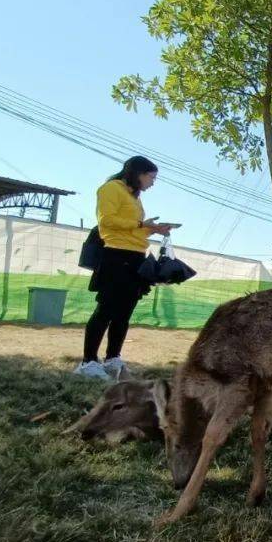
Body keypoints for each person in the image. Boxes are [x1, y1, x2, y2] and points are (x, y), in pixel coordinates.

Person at [76, 156, 171, 380]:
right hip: (116, 256)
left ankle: (112, 359)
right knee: (106, 309)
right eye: (151, 177)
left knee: (124, 312)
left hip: (136, 257)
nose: (153, 182)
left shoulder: (135, 198)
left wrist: (154, 229)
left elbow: (132, 228)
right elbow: (106, 221)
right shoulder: (110, 189)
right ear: (138, 173)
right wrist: (141, 224)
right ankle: (88, 361)